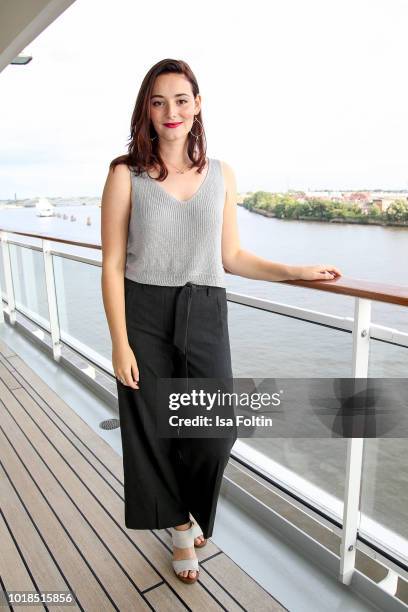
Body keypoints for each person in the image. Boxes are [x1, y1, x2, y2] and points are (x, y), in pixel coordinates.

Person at [100, 58, 342, 585]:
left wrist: (294, 271)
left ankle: (184, 509)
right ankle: (182, 528)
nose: (171, 111)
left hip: (206, 307)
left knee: (215, 429)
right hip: (143, 310)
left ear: (198, 105)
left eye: (181, 100)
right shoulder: (126, 173)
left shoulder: (221, 174)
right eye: (159, 101)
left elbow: (231, 256)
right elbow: (114, 262)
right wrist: (119, 342)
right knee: (154, 430)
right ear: (146, 107)